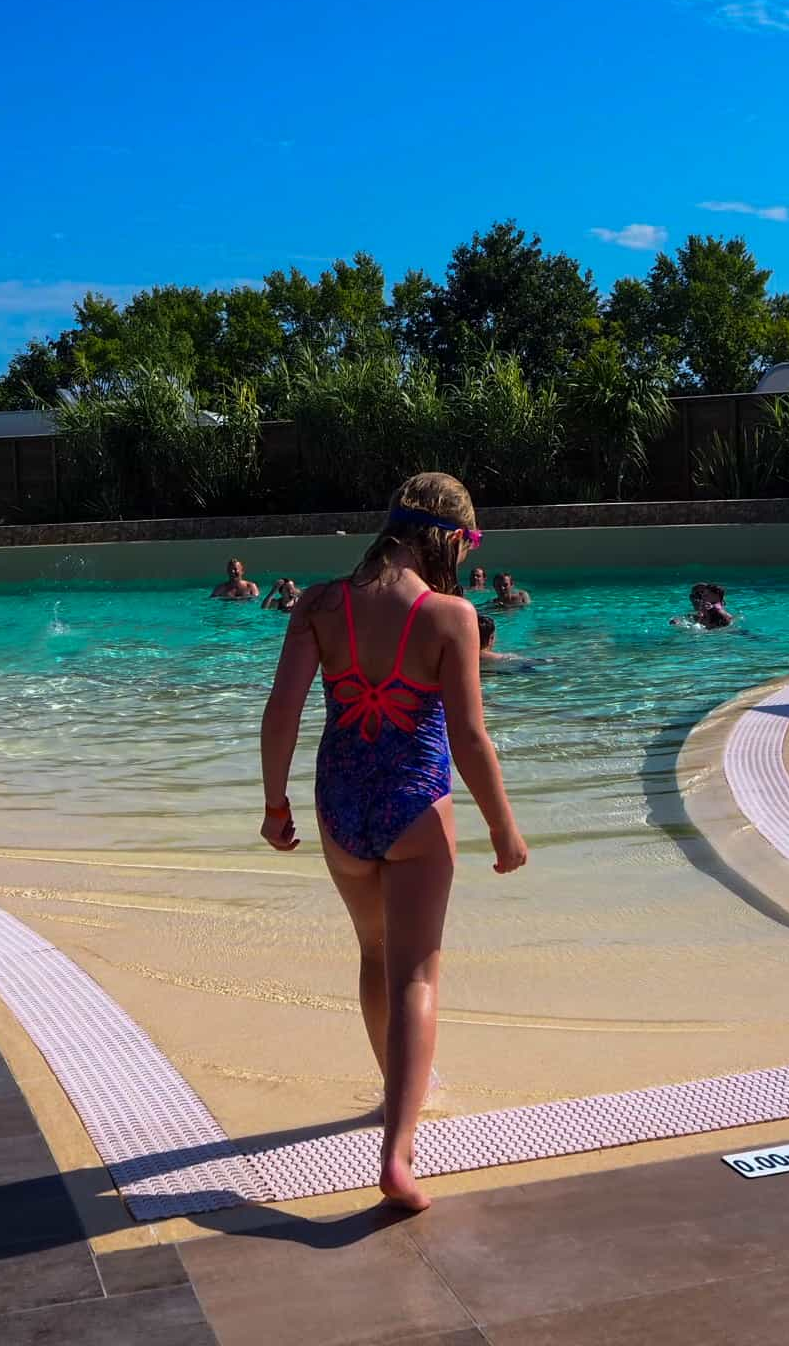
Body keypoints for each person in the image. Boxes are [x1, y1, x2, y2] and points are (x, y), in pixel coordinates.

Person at [259, 472, 527, 1212]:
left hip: (338, 802)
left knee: (375, 957)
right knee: (416, 975)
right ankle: (398, 1154)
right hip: (415, 805)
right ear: (450, 539)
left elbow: (281, 710)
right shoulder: (449, 616)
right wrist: (503, 826)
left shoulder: (317, 604)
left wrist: (273, 802)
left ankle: (392, 1095)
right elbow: (469, 738)